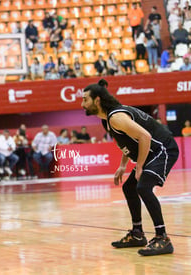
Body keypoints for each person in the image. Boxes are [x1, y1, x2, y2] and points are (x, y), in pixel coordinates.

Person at [81, 79, 178, 256]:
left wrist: (139, 166)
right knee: (129, 186)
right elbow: (128, 141)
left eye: (85, 99)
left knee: (143, 187)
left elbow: (144, 136)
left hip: (163, 149)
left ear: (97, 100)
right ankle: (137, 234)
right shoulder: (107, 119)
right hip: (150, 151)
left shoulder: (116, 117)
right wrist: (123, 165)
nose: (82, 104)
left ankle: (162, 237)